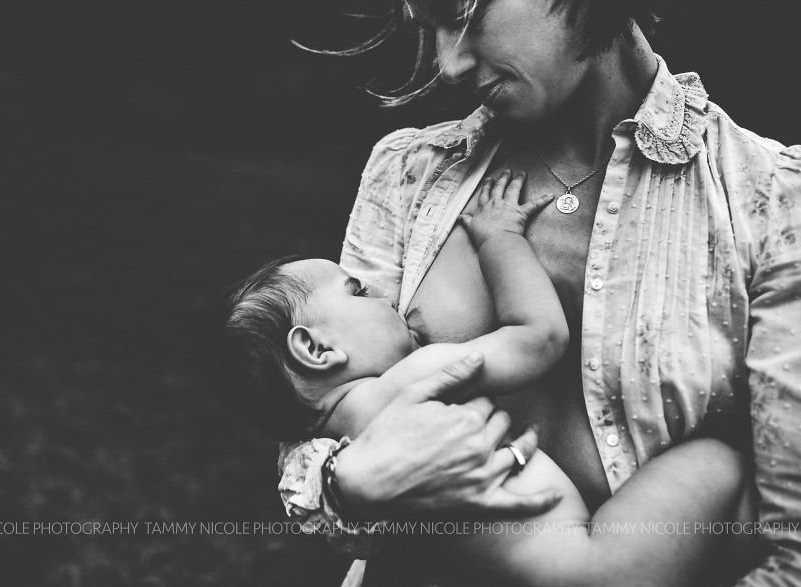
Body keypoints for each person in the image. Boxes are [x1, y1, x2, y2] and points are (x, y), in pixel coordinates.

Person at [277, 0, 801, 584]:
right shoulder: (410, 173)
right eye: (431, 31)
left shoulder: (771, 202)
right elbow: (312, 409)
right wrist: (348, 484)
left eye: (463, 13)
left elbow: (792, 549)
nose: (449, 64)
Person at [221, 173, 752, 586]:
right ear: (315, 350)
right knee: (716, 458)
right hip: (591, 565)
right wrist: (501, 239)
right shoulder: (415, 380)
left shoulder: (332, 451)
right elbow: (540, 337)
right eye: (358, 292)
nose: (385, 296)